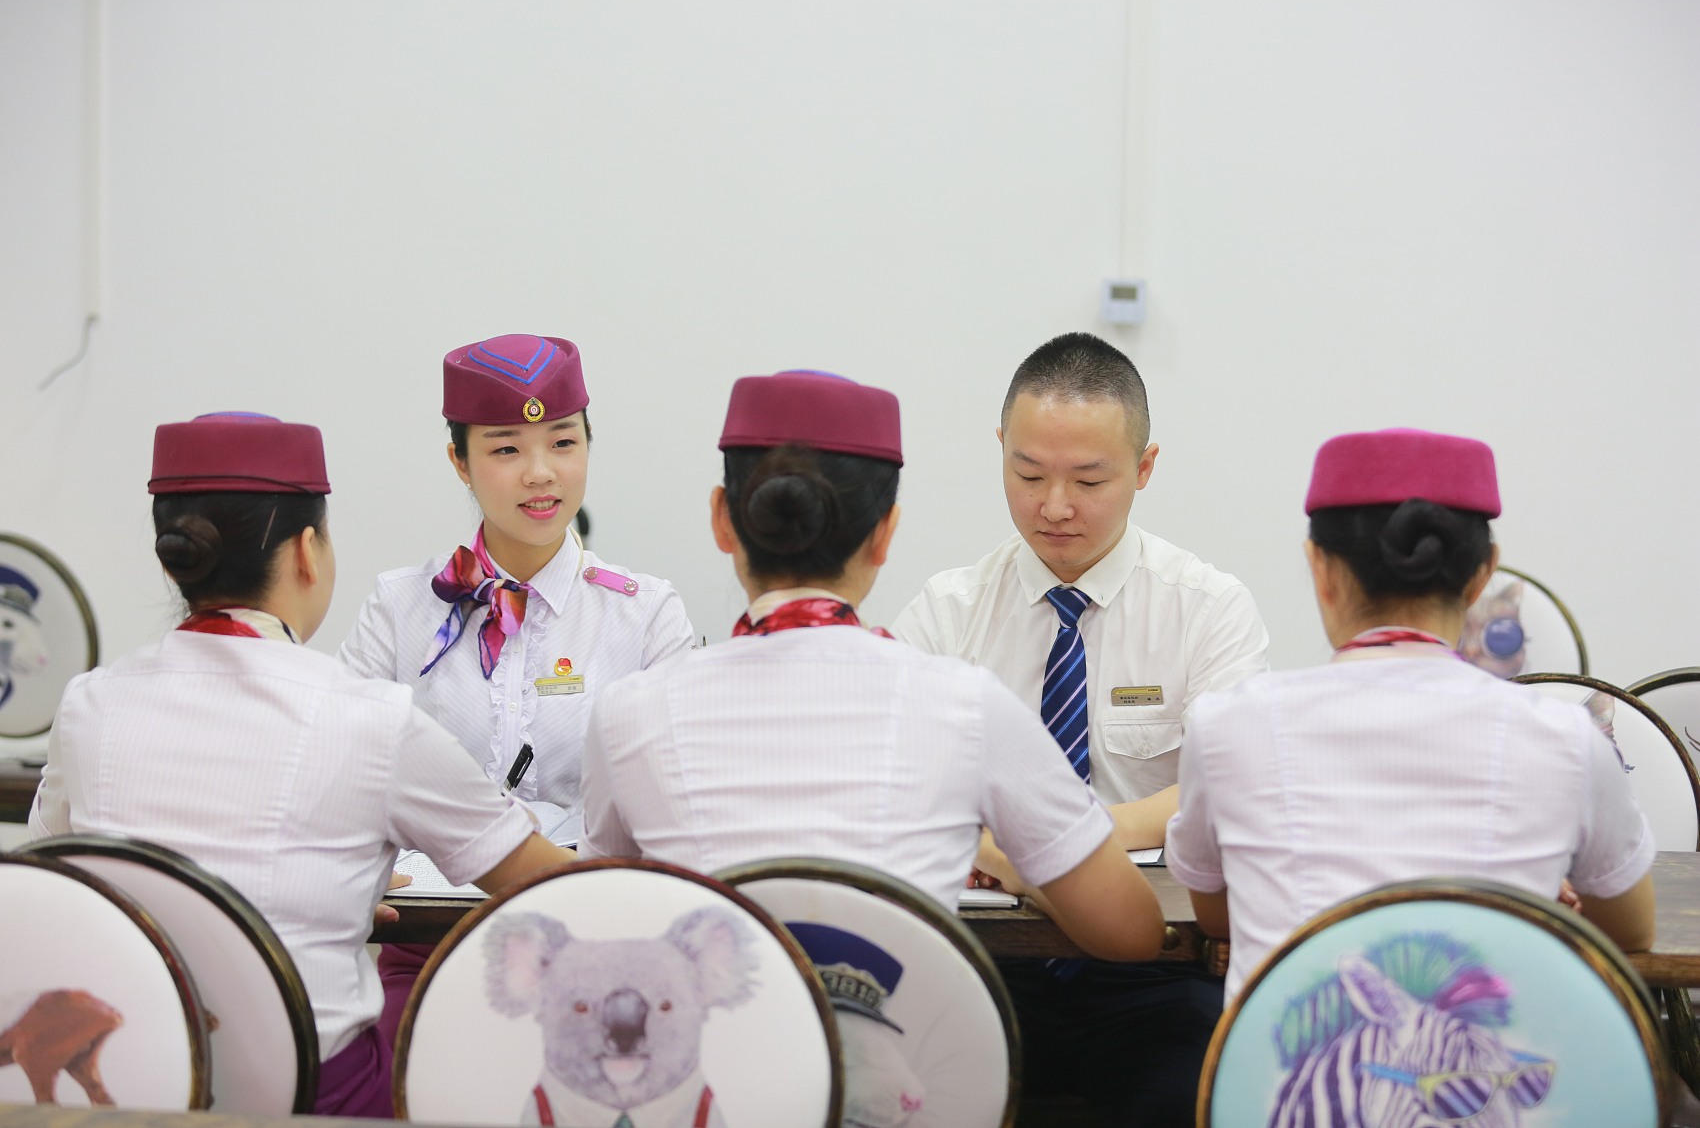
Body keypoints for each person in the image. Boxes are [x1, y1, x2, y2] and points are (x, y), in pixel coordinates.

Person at [30, 411, 575, 1116]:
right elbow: (547, 881)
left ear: (174, 560)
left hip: (135, 1095)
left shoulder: (90, 704)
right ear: (308, 552)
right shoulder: (371, 716)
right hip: (315, 1098)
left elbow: (58, 882)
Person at [579, 369, 1165, 966]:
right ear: (885, 534)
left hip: (715, 1029)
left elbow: (596, 916)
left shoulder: (628, 714)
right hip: (905, 1028)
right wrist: (1014, 863)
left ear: (722, 520)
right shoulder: (967, 707)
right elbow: (1131, 932)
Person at [891, 332, 1267, 1126]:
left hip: (1155, 972)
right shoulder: (947, 613)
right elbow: (896, 786)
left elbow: (1228, 788)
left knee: (1195, 1091)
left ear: (1145, 466)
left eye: (1089, 479)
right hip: (978, 964)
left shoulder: (1208, 609)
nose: (1055, 505)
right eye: (1028, 474)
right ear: (1000, 448)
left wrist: (1057, 845)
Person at [1165, 427, 1656, 1001]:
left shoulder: (1226, 727)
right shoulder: (1568, 737)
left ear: (1319, 568)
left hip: (1280, 1059)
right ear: (1483, 574)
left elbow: (1220, 916)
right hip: (1493, 1060)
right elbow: (1631, 930)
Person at [340, 333, 694, 845]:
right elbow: (339, 770)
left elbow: (675, 801)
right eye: (506, 449)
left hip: (589, 886)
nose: (540, 474)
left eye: (563, 443)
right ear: (460, 462)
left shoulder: (646, 615)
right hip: (433, 892)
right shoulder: (399, 606)